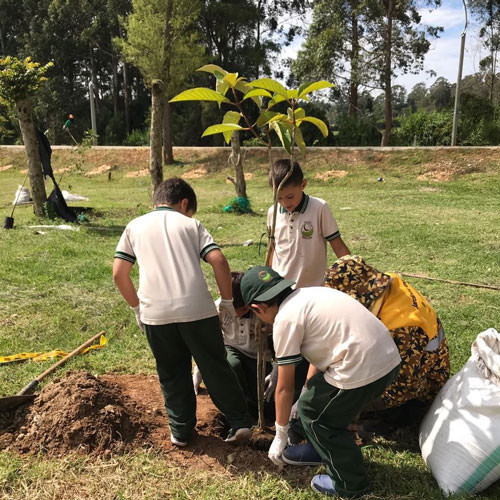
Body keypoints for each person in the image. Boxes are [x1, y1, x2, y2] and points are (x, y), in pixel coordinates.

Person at [113, 177, 253, 447]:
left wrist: (137, 308)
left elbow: (119, 274)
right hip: (198, 311)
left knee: (172, 371)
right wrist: (226, 301)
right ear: (185, 203)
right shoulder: (191, 225)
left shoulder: (134, 227)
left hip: (156, 314)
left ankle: (180, 431)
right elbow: (218, 260)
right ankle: (240, 422)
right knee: (215, 366)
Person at [241, 265, 401, 498]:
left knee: (314, 415)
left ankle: (349, 484)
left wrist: (280, 434)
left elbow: (284, 387)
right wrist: (307, 387)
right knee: (315, 395)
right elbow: (320, 352)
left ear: (257, 307)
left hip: (362, 369)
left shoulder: (285, 320)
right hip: (388, 360)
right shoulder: (311, 295)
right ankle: (322, 449)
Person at [324, 255, 450, 411]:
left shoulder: (399, 328)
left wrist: (355, 407)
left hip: (426, 384)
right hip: (417, 360)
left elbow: (403, 388)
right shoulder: (389, 281)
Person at [192, 272, 273, 417]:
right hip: (231, 348)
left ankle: (256, 406)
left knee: (266, 400)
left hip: (258, 356)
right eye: (236, 308)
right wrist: (199, 371)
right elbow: (209, 341)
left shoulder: (261, 310)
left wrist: (268, 330)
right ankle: (241, 405)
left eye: (244, 308)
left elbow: (276, 336)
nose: (241, 312)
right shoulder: (219, 309)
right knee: (232, 365)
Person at [267, 158, 350, 289]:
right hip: (281, 289)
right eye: (279, 198)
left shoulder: (319, 208)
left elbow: (338, 246)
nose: (285, 203)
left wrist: (354, 272)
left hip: (312, 288)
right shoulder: (273, 212)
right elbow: (273, 248)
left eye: (290, 197)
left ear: (303, 185)